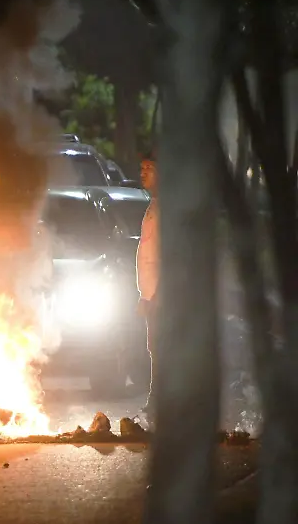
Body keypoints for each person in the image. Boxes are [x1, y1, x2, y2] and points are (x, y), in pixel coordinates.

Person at [136, 156, 159, 416]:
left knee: (162, 348)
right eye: (142, 168)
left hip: (162, 296)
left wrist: (160, 294)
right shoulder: (153, 205)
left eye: (149, 168)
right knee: (155, 347)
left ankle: (159, 406)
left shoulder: (166, 208)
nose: (143, 173)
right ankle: (156, 404)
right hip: (151, 294)